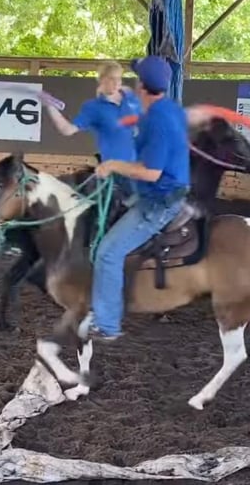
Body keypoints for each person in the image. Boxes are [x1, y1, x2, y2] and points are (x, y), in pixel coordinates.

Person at [88, 55, 190, 341]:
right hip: (165, 187)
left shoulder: (157, 120)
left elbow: (151, 173)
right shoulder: (164, 108)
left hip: (158, 200)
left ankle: (107, 325)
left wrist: (113, 165)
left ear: (143, 85)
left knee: (107, 253)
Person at [43, 61, 141, 198]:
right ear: (101, 80)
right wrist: (50, 107)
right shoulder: (93, 108)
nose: (116, 83)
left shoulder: (131, 99)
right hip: (117, 173)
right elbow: (67, 129)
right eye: (111, 79)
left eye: (118, 78)